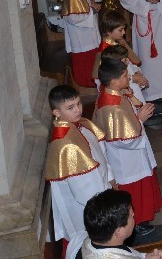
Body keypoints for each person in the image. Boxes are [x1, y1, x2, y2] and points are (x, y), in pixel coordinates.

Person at [93, 59, 162, 236]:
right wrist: (140, 119)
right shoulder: (112, 106)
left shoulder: (111, 94)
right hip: (125, 158)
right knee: (133, 189)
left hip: (124, 155)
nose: (129, 77)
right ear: (114, 81)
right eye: (125, 75)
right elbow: (125, 140)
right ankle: (136, 222)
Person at [45, 86, 114, 255]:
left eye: (79, 103)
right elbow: (85, 189)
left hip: (102, 191)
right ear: (56, 112)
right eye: (70, 107)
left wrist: (110, 178)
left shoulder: (80, 124)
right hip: (88, 206)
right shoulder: (66, 144)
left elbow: (100, 154)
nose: (78, 110)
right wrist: (108, 201)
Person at [75, 189, 162, 259]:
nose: (134, 215)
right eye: (131, 216)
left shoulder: (90, 241)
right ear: (119, 231)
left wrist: (145, 256)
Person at [62, 0, 102, 88]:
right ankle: (86, 87)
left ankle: (95, 85)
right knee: (85, 66)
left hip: (89, 34)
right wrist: (92, 11)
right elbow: (72, 18)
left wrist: (92, 8)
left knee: (93, 62)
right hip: (81, 38)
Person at [92, 10, 148, 95]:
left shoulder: (116, 44)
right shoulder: (106, 51)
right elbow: (108, 79)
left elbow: (137, 62)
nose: (124, 32)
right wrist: (133, 78)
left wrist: (136, 73)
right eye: (120, 30)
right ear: (109, 31)